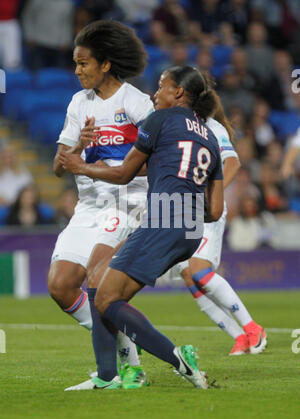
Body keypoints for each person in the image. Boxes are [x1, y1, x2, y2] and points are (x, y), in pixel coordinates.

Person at [59, 65, 224, 390]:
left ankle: (178, 359)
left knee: (104, 298)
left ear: (178, 93)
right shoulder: (210, 138)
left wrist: (82, 166)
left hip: (164, 219)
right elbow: (215, 210)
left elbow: (123, 174)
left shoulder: (159, 120)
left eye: (162, 86)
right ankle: (108, 375)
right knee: (102, 289)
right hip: (191, 231)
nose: (155, 93)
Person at [47, 20, 154, 388]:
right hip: (88, 207)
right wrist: (78, 146)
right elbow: (59, 166)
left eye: (83, 63)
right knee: (60, 286)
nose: (77, 71)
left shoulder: (137, 103)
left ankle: (117, 371)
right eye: (75, 64)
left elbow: (154, 156)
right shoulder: (79, 103)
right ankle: (127, 351)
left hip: (126, 204)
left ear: (105, 64)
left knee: (96, 281)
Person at [168, 95, 267, 355]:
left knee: (199, 271)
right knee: (189, 275)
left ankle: (253, 327)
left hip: (207, 209)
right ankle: (239, 338)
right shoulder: (173, 125)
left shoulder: (211, 127)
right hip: (184, 210)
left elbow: (232, 162)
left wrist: (214, 193)